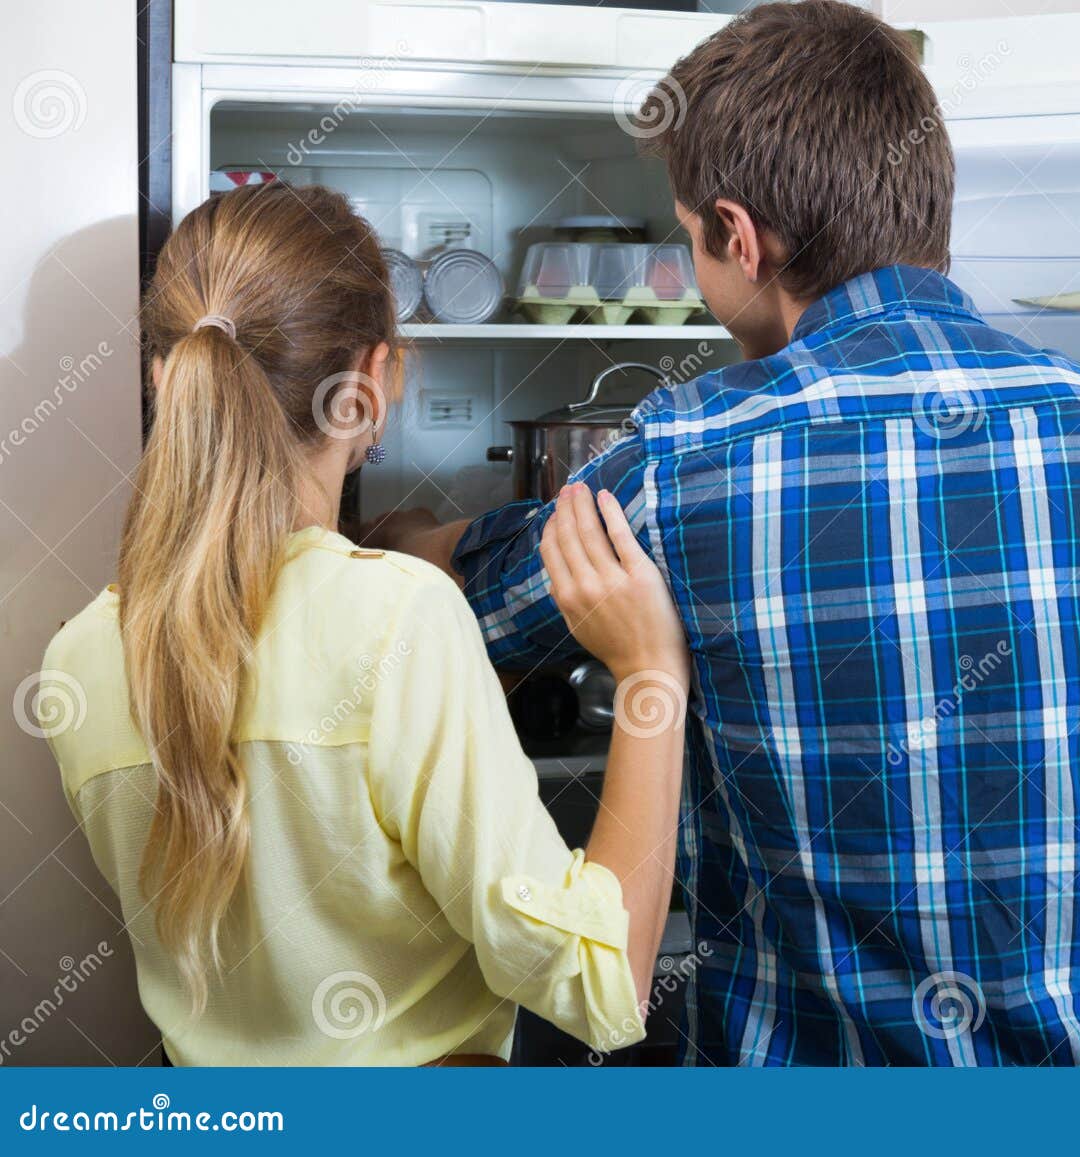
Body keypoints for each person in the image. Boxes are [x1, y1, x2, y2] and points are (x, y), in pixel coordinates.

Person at [373, 0, 1080, 1065]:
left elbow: (455, 613)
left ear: (737, 235)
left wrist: (404, 527)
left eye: (689, 242)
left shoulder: (691, 459)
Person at [40, 183, 690, 1065]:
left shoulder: (78, 655)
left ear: (165, 376)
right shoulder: (402, 617)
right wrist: (653, 675)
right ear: (372, 384)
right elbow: (598, 984)